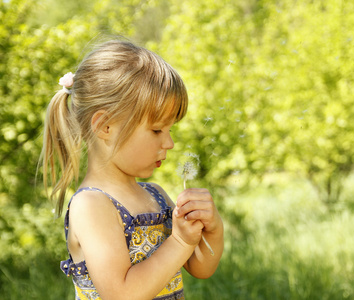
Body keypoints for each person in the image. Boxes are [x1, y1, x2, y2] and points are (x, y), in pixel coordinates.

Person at [40, 40, 224, 300]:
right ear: (105, 126)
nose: (169, 143)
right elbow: (122, 294)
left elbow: (200, 267)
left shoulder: (156, 195)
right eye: (157, 130)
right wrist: (180, 241)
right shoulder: (91, 205)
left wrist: (212, 229)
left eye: (170, 130)